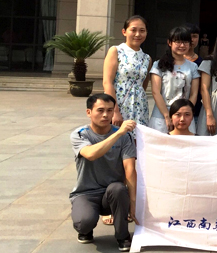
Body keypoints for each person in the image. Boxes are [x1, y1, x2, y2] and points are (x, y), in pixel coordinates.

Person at [70, 94, 137, 252]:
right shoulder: (80, 134)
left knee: (118, 189)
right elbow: (91, 154)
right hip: (86, 192)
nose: (106, 115)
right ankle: (86, 228)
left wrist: (133, 202)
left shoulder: (125, 136)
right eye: (100, 110)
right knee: (84, 222)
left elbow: (129, 169)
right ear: (89, 112)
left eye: (110, 110)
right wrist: (117, 133)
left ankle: (122, 236)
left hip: (112, 192)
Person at [102, 15, 152, 128]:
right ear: (124, 32)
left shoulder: (147, 58)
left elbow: (143, 85)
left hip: (140, 107)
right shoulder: (116, 51)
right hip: (119, 104)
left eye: (142, 31)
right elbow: (107, 82)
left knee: (138, 136)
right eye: (133, 30)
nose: (137, 34)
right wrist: (115, 111)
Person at [149, 26, 200, 134]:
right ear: (169, 43)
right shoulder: (158, 64)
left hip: (184, 118)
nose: (182, 45)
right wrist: (167, 116)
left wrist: (186, 113)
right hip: (161, 116)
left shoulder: (193, 67)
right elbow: (156, 92)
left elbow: (193, 94)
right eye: (178, 42)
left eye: (185, 42)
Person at [184, 23, 204, 134]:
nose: (192, 40)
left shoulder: (202, 63)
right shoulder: (172, 61)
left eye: (195, 36)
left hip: (195, 111)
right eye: (189, 36)